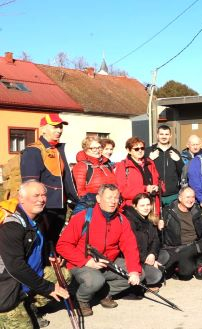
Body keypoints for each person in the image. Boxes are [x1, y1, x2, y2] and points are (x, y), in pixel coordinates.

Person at [56, 184, 142, 317]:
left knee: (138, 275)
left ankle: (103, 293)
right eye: (109, 197)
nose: (113, 201)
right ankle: (82, 299)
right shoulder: (83, 217)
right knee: (95, 281)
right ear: (98, 198)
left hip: (107, 262)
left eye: (116, 197)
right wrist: (86, 261)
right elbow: (62, 245)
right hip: (81, 262)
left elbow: (130, 246)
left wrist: (134, 271)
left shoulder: (121, 219)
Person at [0, 181, 70, 328]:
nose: (41, 199)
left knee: (64, 275)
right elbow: (15, 267)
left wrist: (48, 258)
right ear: (21, 198)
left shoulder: (38, 217)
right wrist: (49, 288)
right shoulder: (11, 226)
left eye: (44, 195)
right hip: (7, 287)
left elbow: (36, 245)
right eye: (36, 195)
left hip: (27, 278)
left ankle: (29, 305)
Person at [20, 113, 78, 245]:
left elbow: (66, 180)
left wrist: (76, 201)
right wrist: (36, 205)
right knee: (40, 243)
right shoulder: (34, 151)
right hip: (44, 207)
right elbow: (30, 184)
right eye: (55, 127)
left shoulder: (59, 149)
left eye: (60, 127)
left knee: (53, 242)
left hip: (60, 207)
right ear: (43, 128)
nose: (59, 130)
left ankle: (51, 265)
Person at [159, 187, 202, 280]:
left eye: (193, 197)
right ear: (180, 198)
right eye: (187, 197)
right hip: (179, 248)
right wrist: (159, 228)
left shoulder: (196, 210)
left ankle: (199, 266)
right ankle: (176, 268)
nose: (191, 200)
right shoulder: (168, 212)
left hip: (195, 244)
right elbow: (160, 236)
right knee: (186, 273)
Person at [124, 193, 163, 290]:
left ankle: (152, 269)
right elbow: (133, 246)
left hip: (147, 254)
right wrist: (146, 259)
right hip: (136, 259)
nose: (146, 208)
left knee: (166, 255)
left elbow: (155, 240)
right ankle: (142, 283)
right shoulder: (130, 221)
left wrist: (152, 254)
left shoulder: (149, 218)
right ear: (135, 206)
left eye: (148, 205)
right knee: (156, 275)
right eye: (142, 205)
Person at [115, 137, 161, 214]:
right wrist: (145, 189)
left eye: (142, 148)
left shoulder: (150, 163)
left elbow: (158, 181)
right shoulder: (123, 166)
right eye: (136, 149)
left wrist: (157, 187)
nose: (140, 151)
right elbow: (122, 190)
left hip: (152, 206)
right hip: (134, 208)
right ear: (129, 150)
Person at [72, 136, 117, 215]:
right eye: (93, 148)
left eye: (99, 147)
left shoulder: (107, 164)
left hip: (110, 205)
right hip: (91, 207)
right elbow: (80, 192)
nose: (97, 150)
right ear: (86, 149)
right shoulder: (82, 166)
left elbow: (115, 184)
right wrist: (97, 202)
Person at [147, 125, 184, 208]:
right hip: (154, 194)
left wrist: (178, 161)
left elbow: (182, 173)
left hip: (172, 195)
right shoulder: (149, 151)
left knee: (171, 220)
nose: (164, 137)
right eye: (161, 134)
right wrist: (149, 159)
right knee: (155, 220)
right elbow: (142, 170)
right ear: (157, 135)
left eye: (166, 134)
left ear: (170, 136)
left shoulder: (175, 152)